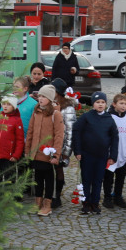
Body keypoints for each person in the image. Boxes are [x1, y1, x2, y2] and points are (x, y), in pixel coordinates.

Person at [72, 91, 119, 216]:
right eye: (97, 102)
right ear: (93, 104)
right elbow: (76, 130)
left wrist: (113, 156)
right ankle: (86, 202)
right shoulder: (87, 117)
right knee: (87, 180)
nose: (100, 104)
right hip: (87, 154)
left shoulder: (109, 119)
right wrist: (78, 150)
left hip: (102, 155)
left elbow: (115, 137)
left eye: (103, 102)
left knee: (98, 180)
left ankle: (95, 202)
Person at [25, 85, 63, 217]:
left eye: (44, 97)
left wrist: (56, 154)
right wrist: (28, 150)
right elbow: (30, 132)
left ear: (50, 99)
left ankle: (47, 204)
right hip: (36, 152)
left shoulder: (55, 114)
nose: (40, 99)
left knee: (49, 178)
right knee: (38, 178)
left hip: (48, 153)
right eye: (39, 96)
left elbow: (59, 136)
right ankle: (37, 202)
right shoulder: (36, 112)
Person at [103, 94, 126, 210]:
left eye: (125, 104)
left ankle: (118, 196)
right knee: (108, 177)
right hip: (111, 154)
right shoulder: (109, 118)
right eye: (121, 103)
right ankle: (107, 197)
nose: (124, 106)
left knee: (121, 177)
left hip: (124, 153)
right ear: (114, 104)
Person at [49, 78, 77, 208]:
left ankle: (57, 196)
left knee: (58, 169)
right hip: (49, 143)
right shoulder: (49, 104)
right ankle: (49, 194)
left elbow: (70, 131)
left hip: (61, 144)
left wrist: (66, 152)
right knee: (49, 170)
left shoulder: (68, 108)